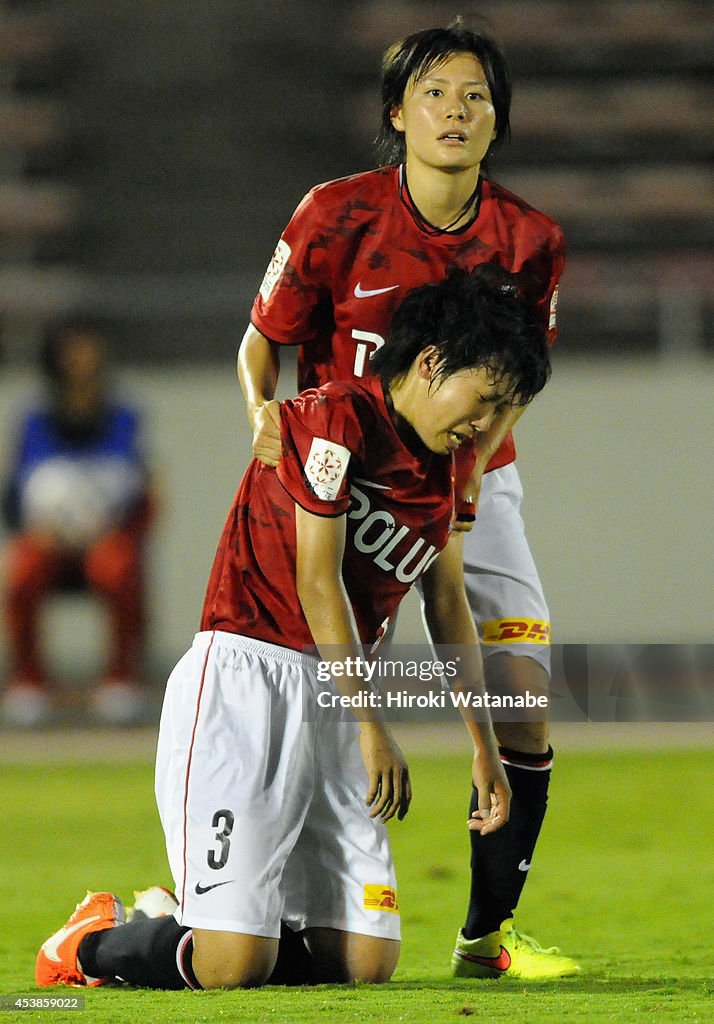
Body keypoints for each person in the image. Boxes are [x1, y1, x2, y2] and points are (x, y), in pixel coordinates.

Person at [36, 265, 549, 991]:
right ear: (433, 363)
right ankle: (91, 943)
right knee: (232, 967)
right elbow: (318, 580)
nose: (488, 425)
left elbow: (447, 607)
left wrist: (484, 746)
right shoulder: (331, 418)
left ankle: (189, 914)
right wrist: (371, 724)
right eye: (486, 399)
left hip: (338, 693)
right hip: (247, 678)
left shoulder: (447, 470)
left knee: (365, 963)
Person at [236, 20, 580, 979]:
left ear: (499, 120)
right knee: (288, 679)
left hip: (471, 476)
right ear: (396, 112)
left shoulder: (531, 240)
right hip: (343, 474)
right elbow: (260, 343)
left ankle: (487, 937)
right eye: (435, 93)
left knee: (521, 695)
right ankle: (221, 899)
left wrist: (466, 487)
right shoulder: (335, 214)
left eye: (476, 96)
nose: (457, 112)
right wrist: (263, 419)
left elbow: (513, 387)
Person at [1, 317, 155, 727]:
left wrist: (118, 528)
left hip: (106, 539)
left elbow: (144, 493)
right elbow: (13, 496)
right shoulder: (33, 420)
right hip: (47, 541)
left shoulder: (124, 417)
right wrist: (36, 530)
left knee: (121, 566)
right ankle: (28, 680)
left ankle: (121, 678)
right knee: (21, 570)